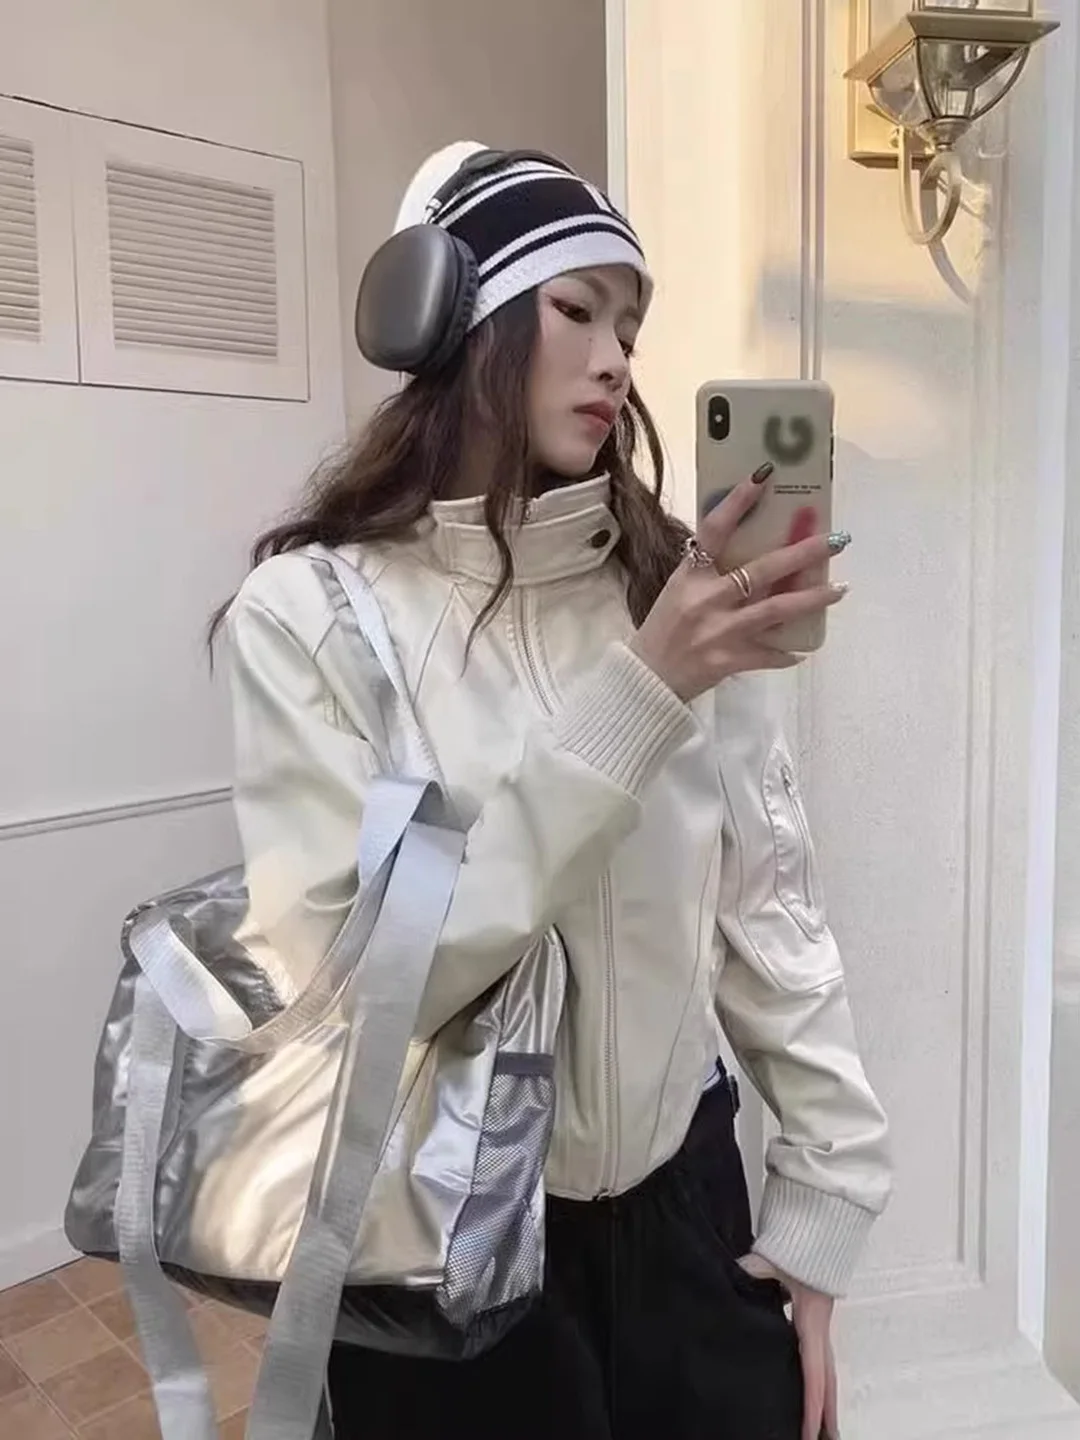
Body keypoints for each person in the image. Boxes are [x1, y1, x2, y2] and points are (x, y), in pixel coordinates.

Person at [214, 144, 892, 1440]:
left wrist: (823, 1215)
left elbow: (769, 916)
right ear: (445, 320)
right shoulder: (310, 620)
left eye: (629, 325)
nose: (615, 359)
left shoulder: (675, 594)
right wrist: (642, 695)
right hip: (439, 1246)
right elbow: (360, 985)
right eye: (575, 308)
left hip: (686, 1216)